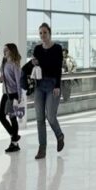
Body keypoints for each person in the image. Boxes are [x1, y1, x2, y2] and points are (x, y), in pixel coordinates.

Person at [31, 23, 65, 159]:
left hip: (52, 85)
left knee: (51, 116)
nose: (42, 35)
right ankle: (42, 148)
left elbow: (58, 69)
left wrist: (57, 86)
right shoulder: (37, 49)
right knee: (39, 118)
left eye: (45, 32)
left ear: (49, 33)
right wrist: (33, 63)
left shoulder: (57, 48)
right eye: (40, 33)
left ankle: (59, 135)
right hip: (39, 85)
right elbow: (35, 66)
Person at [0, 43, 23, 153]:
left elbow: (19, 81)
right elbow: (2, 78)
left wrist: (19, 95)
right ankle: (15, 136)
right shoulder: (4, 62)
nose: (4, 52)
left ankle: (14, 143)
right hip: (6, 93)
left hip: (13, 94)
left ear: (12, 51)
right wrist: (1, 78)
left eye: (6, 50)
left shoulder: (15, 64)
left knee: (12, 118)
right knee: (1, 116)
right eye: (4, 50)